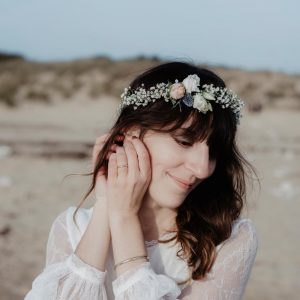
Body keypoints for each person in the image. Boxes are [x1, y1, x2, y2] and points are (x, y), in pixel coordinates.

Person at [25, 61, 258, 299]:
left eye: (215, 152)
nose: (202, 168)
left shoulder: (229, 240)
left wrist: (125, 219)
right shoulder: (71, 229)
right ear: (132, 133)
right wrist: (107, 204)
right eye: (184, 141)